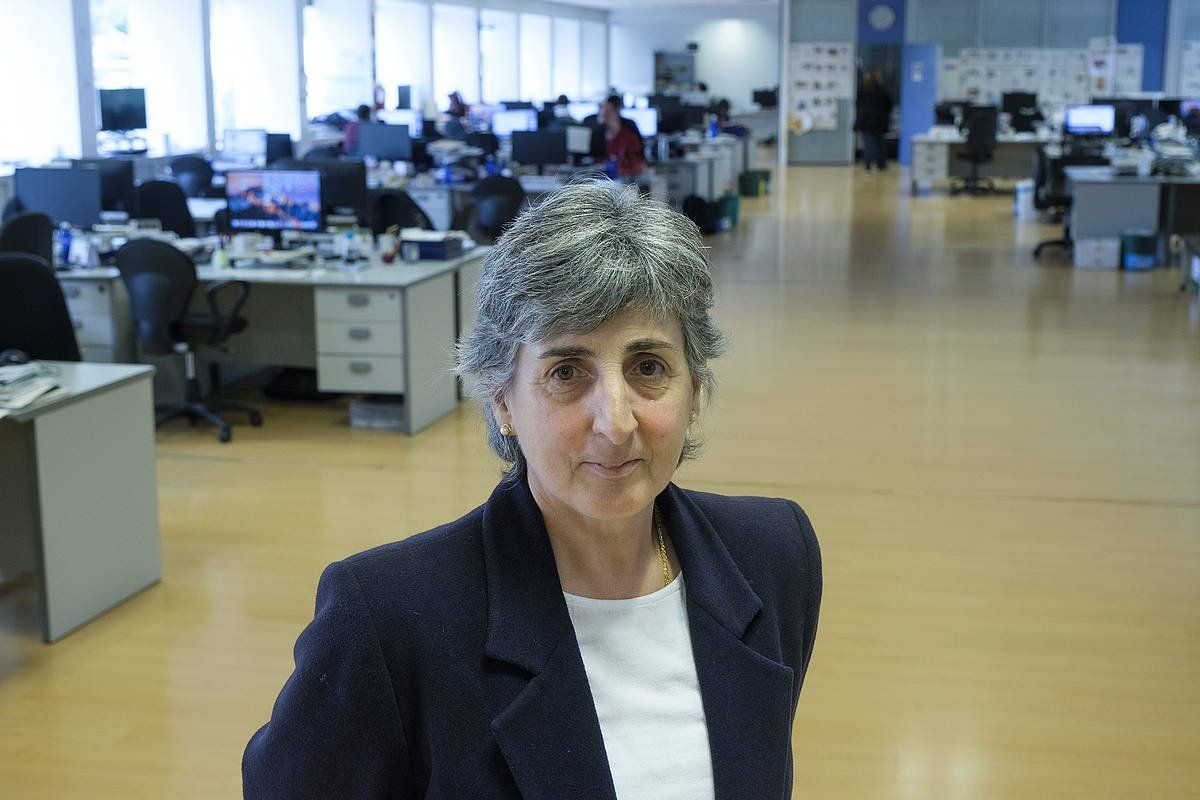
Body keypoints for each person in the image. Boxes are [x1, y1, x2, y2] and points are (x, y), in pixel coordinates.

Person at [242, 181, 822, 799]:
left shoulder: (772, 556)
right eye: (566, 372)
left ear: (696, 389)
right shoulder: (388, 619)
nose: (616, 421)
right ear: (502, 401)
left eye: (648, 367)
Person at [592, 94, 646, 179]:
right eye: (601, 108)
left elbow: (639, 154)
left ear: (616, 109)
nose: (602, 111)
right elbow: (596, 157)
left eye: (606, 108)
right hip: (606, 176)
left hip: (630, 175)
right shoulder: (599, 131)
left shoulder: (629, 127)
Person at [854, 70, 893, 173]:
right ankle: (881, 165)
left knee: (869, 145)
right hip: (879, 122)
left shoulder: (862, 90)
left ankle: (868, 165)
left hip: (865, 122)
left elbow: (858, 105)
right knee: (880, 144)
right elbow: (889, 105)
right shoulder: (882, 90)